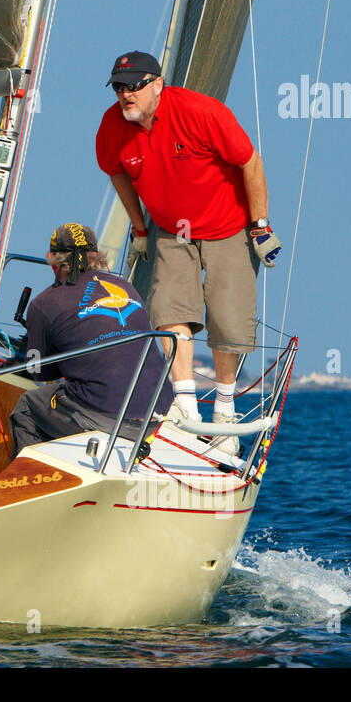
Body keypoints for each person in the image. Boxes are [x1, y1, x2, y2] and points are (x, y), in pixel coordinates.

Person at [95, 51, 281, 427]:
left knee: (229, 320)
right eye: (118, 87)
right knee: (170, 309)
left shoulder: (201, 112)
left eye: (134, 86)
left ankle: (225, 410)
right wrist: (140, 228)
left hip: (227, 226)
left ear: (158, 84)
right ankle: (184, 402)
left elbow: (250, 161)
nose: (125, 94)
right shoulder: (113, 126)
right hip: (171, 229)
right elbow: (116, 172)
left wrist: (260, 226)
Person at [9, 223, 172, 456]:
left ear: (54, 259)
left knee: (28, 407)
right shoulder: (125, 286)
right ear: (95, 255)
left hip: (106, 417)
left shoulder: (44, 303)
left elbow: (38, 372)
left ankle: (31, 485)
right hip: (158, 413)